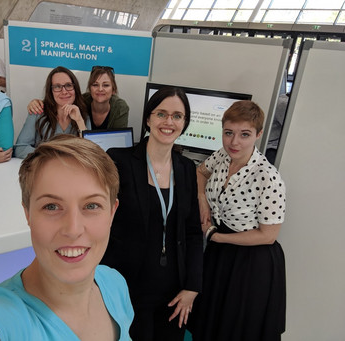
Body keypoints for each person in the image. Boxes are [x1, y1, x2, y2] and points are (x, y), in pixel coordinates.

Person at [0, 134, 134, 340]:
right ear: (28, 213)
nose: (73, 229)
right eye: (51, 206)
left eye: (92, 206)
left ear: (112, 212)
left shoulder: (114, 283)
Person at [101, 86, 203, 341]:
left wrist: (192, 286)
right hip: (127, 286)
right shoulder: (118, 161)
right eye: (162, 114)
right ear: (148, 118)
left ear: (185, 123)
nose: (169, 122)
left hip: (173, 292)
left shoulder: (187, 168)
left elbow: (192, 232)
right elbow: (100, 221)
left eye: (177, 116)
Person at [190, 100, 286, 341]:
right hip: (219, 252)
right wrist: (202, 198)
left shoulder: (268, 178)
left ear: (259, 134)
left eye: (245, 134)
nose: (234, 142)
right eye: (228, 133)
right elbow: (200, 171)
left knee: (234, 328)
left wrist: (215, 236)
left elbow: (268, 235)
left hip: (250, 260)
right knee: (210, 319)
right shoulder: (224, 155)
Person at [14, 66, 91, 159]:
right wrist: (52, 156)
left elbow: (90, 152)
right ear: (51, 91)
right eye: (57, 87)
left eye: (68, 85)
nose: (64, 91)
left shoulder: (82, 115)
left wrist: (79, 121)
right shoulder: (37, 112)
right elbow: (20, 148)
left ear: (75, 88)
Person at [27, 65, 129, 130]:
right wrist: (37, 102)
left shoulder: (120, 107)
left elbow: (118, 141)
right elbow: (58, 100)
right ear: (89, 88)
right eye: (95, 85)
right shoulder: (81, 101)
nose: (100, 89)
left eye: (106, 85)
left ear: (114, 90)